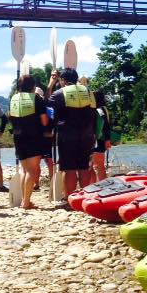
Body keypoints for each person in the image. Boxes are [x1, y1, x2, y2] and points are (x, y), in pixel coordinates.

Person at [49, 68, 97, 201]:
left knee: (69, 168)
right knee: (83, 167)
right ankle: (84, 198)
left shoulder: (58, 94)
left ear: (63, 80)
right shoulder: (89, 92)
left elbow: (50, 113)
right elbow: (94, 114)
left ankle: (70, 199)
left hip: (67, 137)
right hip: (87, 135)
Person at [8, 75, 48, 209]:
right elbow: (44, 120)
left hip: (18, 137)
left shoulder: (13, 98)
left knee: (24, 170)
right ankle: (26, 202)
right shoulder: (36, 98)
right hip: (33, 136)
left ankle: (25, 200)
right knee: (32, 170)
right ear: (33, 86)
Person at [90, 89, 112, 182]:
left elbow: (106, 124)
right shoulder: (103, 108)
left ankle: (93, 186)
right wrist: (107, 139)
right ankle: (102, 185)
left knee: (93, 165)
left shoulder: (98, 110)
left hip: (97, 140)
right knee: (99, 165)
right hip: (101, 139)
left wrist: (107, 139)